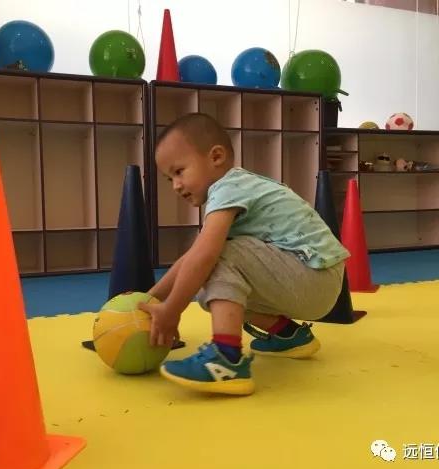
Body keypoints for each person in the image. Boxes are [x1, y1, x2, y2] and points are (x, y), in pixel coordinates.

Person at [138, 112, 349, 396]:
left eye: (179, 171)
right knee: (211, 291)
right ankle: (289, 335)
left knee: (216, 258)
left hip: (313, 275)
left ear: (216, 157)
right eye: (169, 179)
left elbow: (203, 256)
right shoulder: (234, 189)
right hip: (314, 279)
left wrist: (172, 310)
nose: (175, 185)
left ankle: (226, 360)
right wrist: (150, 300)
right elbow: (190, 260)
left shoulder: (228, 187)